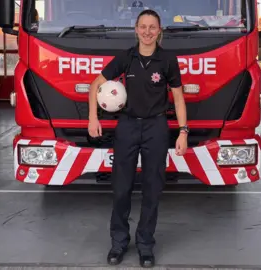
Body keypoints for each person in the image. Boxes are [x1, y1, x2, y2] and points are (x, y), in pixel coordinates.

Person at [87, 9, 188, 268]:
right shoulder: (126, 58)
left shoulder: (167, 60)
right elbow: (94, 85)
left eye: (152, 27)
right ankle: (118, 243)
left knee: (152, 190)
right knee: (121, 189)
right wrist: (93, 118)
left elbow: (178, 98)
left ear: (159, 30)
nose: (147, 31)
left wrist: (183, 132)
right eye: (142, 26)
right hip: (127, 127)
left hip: (156, 127)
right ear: (136, 29)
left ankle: (145, 245)